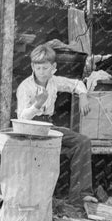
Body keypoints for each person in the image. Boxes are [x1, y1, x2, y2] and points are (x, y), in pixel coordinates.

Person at [16, 44, 97, 206]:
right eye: (38, 68)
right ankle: (39, 198)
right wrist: (36, 106)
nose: (42, 72)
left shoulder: (54, 81)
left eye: (46, 68)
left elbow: (76, 83)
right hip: (30, 128)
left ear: (53, 67)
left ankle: (80, 195)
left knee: (82, 142)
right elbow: (22, 118)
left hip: (48, 127)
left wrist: (83, 96)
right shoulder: (25, 87)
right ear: (32, 67)